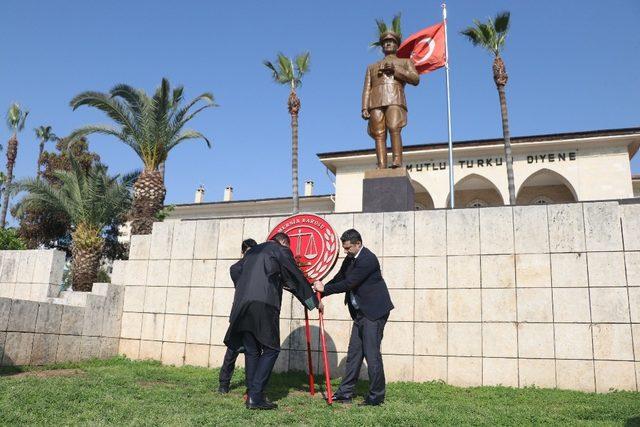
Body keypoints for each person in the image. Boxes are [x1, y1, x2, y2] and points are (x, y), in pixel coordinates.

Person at [223, 232, 323, 410]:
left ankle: (251, 394)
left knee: (252, 350)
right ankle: (255, 396)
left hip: (242, 304)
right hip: (264, 305)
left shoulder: (253, 251)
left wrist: (247, 285)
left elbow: (235, 269)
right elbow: (296, 276)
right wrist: (313, 302)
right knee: (271, 349)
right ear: (284, 243)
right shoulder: (280, 250)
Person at [313, 229, 393, 406]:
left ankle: (376, 397)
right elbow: (340, 278)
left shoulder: (367, 259)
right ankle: (345, 393)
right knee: (354, 353)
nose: (345, 251)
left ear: (358, 244)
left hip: (374, 312)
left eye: (348, 248)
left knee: (372, 355)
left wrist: (324, 289)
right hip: (360, 313)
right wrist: (321, 292)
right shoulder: (350, 259)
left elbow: (350, 283)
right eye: (344, 248)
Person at [362, 30, 419, 169]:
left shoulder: (405, 62)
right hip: (375, 103)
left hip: (395, 98)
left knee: (394, 128)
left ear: (397, 45)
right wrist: (364, 107)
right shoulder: (372, 67)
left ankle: (397, 161)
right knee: (379, 134)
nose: (388, 43)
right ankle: (381, 164)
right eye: (385, 42)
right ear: (382, 47)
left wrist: (395, 71)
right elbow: (366, 88)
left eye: (391, 41)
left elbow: (415, 79)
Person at [218, 238, 257, 394]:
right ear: (243, 252)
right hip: (239, 315)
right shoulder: (236, 268)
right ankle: (224, 383)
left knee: (251, 352)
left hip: (252, 315)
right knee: (232, 350)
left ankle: (250, 385)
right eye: (248, 252)